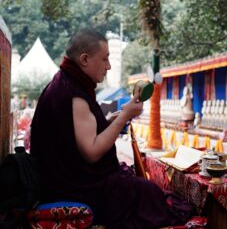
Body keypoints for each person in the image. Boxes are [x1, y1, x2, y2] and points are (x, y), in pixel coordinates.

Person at [30, 29, 193, 228]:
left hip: (61, 180)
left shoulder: (64, 82)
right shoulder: (73, 94)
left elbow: (81, 133)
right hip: (74, 187)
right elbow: (91, 152)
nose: (108, 66)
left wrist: (115, 118)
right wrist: (124, 116)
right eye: (105, 59)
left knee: (141, 185)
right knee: (150, 193)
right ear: (84, 59)